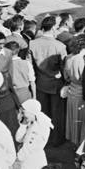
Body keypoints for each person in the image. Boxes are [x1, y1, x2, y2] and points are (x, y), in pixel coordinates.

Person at [29, 16, 67, 146]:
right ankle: (56, 140)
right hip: (55, 83)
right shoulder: (60, 46)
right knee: (57, 113)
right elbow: (64, 67)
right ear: (53, 28)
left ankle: (42, 138)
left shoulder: (32, 44)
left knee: (43, 112)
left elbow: (30, 66)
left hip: (40, 82)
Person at [15, 99, 51, 169]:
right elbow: (19, 138)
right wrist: (23, 124)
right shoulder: (32, 122)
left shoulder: (40, 126)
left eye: (24, 112)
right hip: (28, 157)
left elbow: (30, 145)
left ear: (32, 111)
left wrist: (19, 156)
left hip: (34, 159)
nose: (22, 114)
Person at [63, 34, 85, 145]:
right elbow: (84, 79)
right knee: (81, 121)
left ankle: (74, 142)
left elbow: (66, 76)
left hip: (71, 91)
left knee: (73, 120)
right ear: (84, 45)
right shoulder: (81, 60)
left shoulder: (69, 57)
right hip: (80, 93)